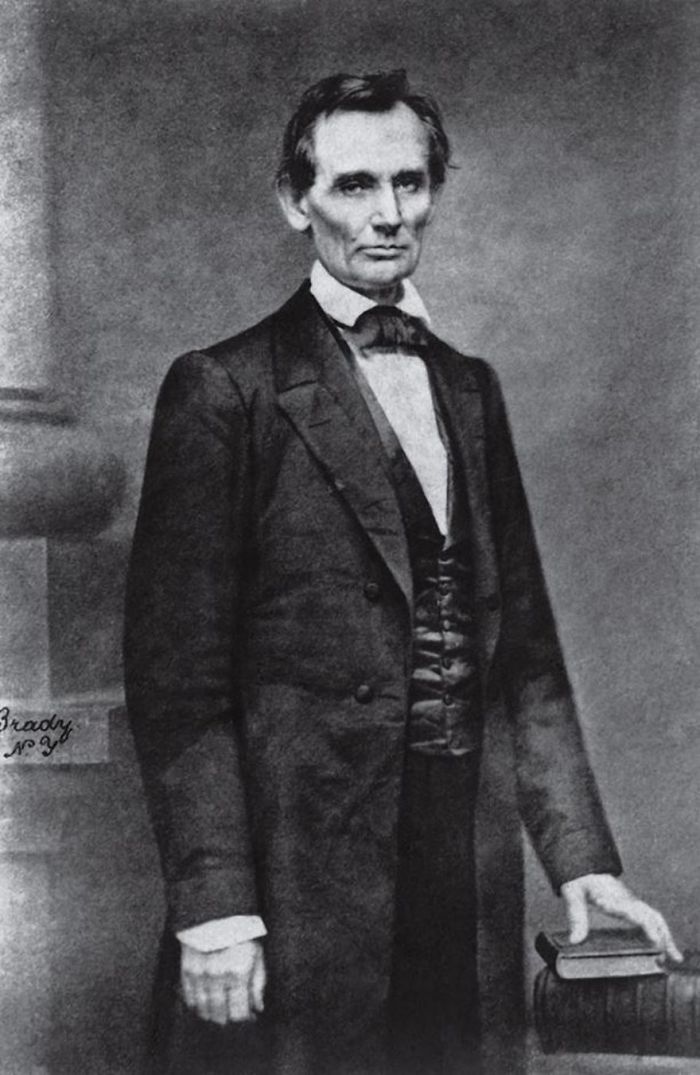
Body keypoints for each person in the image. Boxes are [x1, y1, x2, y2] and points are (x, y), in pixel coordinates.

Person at [124, 70, 680, 1075]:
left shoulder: (469, 387)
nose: (388, 216)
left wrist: (582, 863)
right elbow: (177, 687)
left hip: (458, 869)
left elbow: (528, 658)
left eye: (411, 184)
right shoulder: (224, 390)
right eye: (353, 187)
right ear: (295, 201)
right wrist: (214, 904)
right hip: (293, 878)